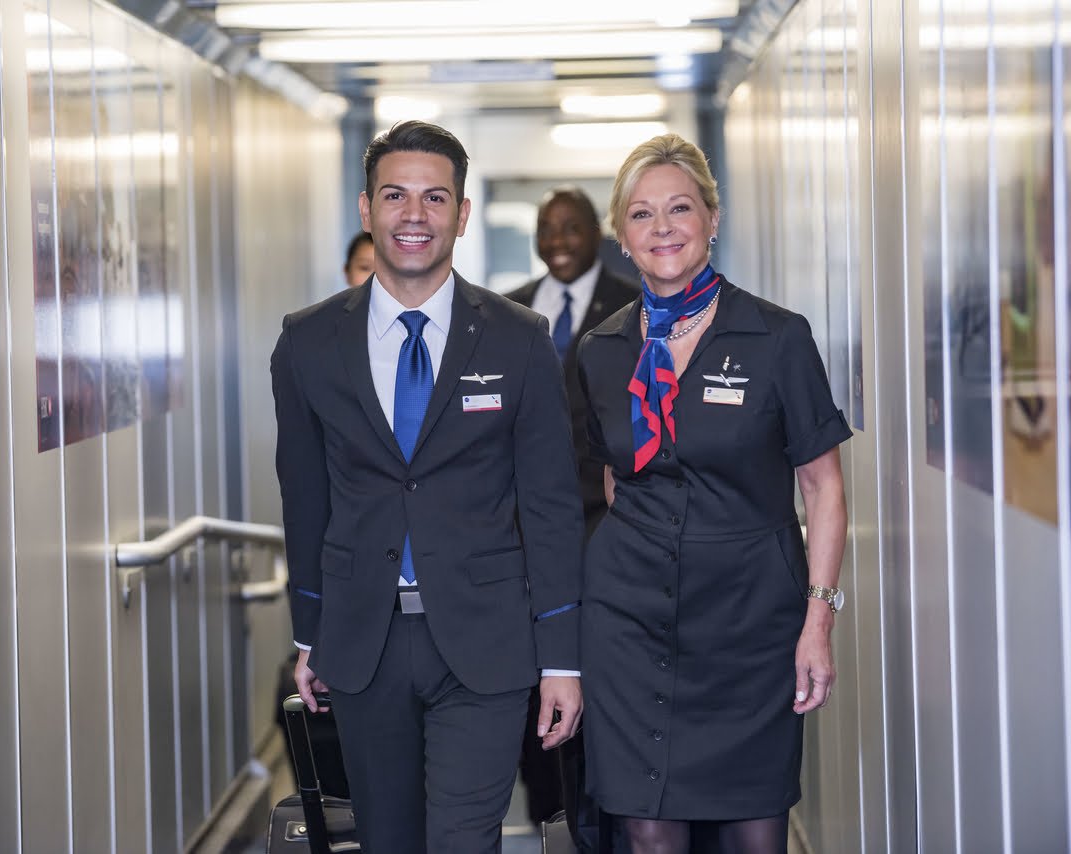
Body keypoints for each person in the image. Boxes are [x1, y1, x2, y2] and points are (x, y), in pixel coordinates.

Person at [271, 120, 585, 854]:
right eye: (396, 195)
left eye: (435, 197)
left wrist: (561, 658)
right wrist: (308, 634)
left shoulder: (518, 338)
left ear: (462, 214)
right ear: (366, 209)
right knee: (388, 841)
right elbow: (304, 497)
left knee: (462, 840)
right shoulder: (308, 342)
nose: (414, 215)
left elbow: (551, 506)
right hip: (362, 640)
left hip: (486, 641)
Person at [576, 133, 851, 853]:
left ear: (713, 219)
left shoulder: (777, 337)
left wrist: (817, 620)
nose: (662, 228)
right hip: (629, 624)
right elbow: (613, 477)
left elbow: (823, 489)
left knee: (753, 838)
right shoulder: (601, 350)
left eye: (680, 209)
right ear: (621, 235)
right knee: (646, 835)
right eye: (641, 215)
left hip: (750, 624)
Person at [504, 186, 636, 848]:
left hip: (602, 525)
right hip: (523, 534)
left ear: (598, 234)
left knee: (591, 675)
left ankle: (591, 816)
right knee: (533, 677)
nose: (557, 240)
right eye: (546, 228)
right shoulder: (509, 311)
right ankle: (544, 810)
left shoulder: (635, 307)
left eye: (572, 228)